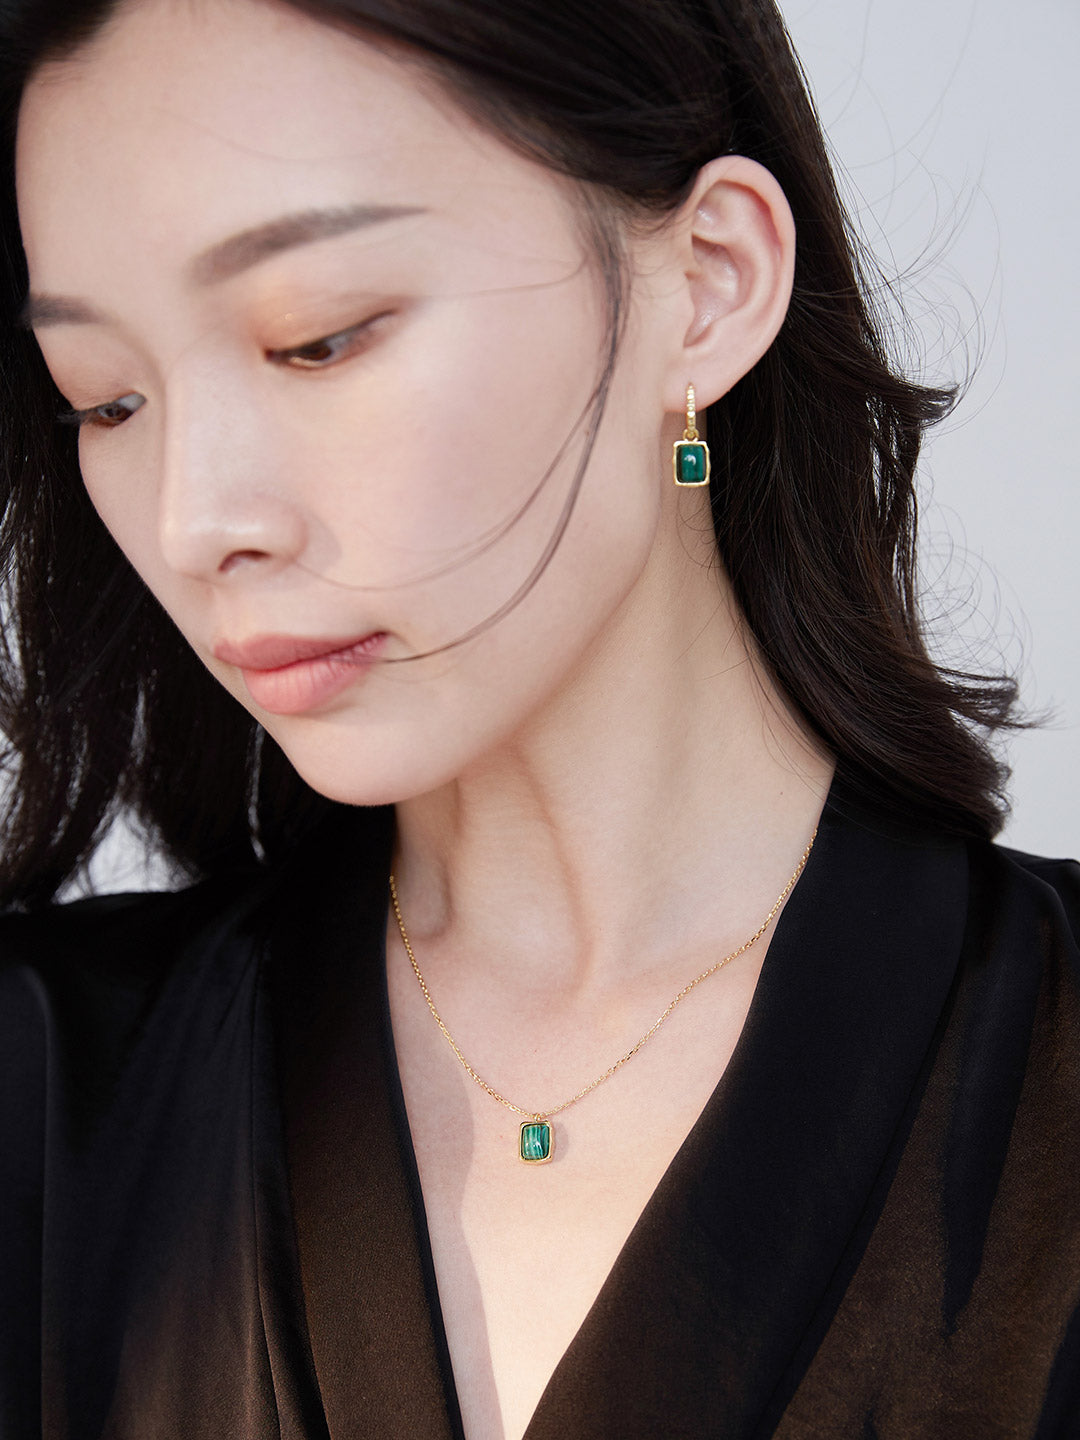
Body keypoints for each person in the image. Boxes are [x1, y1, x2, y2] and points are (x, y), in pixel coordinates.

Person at [0, 0, 1077, 1436]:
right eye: (110, 401)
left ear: (708, 283)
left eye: (319, 340)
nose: (199, 520)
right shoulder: (40, 1097)